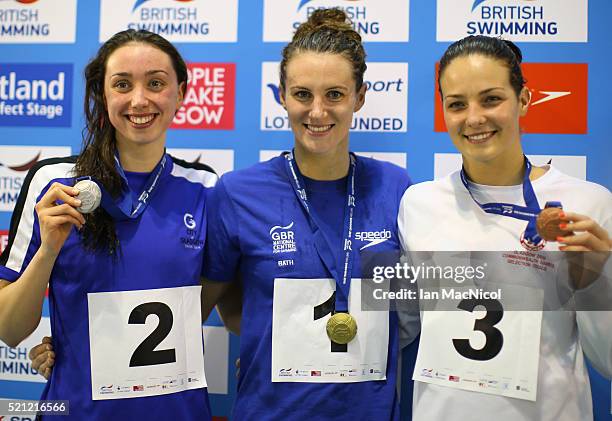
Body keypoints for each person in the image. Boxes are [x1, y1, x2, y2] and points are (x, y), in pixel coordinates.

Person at [201, 9, 412, 420]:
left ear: (360, 97)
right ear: (281, 94)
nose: (317, 112)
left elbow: (410, 310)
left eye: (334, 94)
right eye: (302, 95)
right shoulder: (238, 192)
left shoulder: (396, 187)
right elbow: (212, 302)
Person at [0, 29, 219, 420]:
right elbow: (10, 330)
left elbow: (229, 298)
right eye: (122, 84)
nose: (139, 100)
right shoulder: (54, 182)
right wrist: (48, 250)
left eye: (156, 83)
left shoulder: (206, 187)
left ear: (181, 93)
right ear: (103, 94)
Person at [398, 35, 612, 420]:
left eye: (491, 99)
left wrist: (595, 281)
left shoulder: (589, 204)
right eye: (457, 104)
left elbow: (608, 361)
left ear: (525, 100)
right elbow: (402, 326)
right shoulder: (418, 204)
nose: (474, 118)